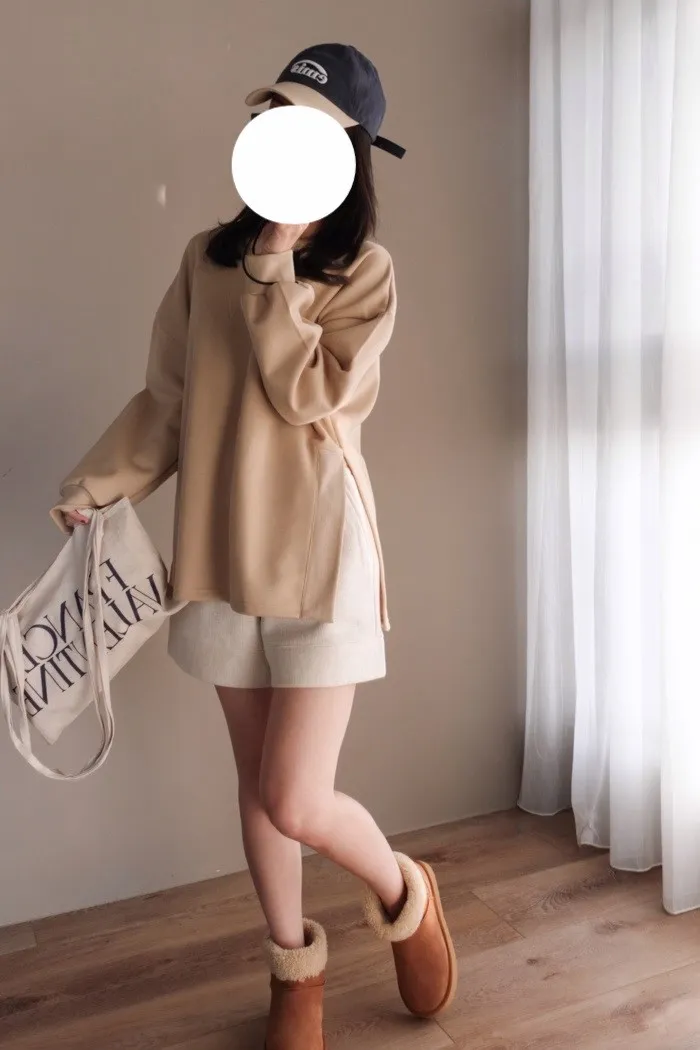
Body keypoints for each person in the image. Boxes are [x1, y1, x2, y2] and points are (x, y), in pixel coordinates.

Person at [51, 43, 456, 1050]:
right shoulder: (205, 260)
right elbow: (170, 402)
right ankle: (294, 976)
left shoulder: (365, 275)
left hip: (321, 560)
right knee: (256, 791)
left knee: (294, 794)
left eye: (313, 130)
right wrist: (98, 485)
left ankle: (405, 893)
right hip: (220, 555)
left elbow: (310, 396)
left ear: (351, 156)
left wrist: (277, 263)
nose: (288, 140)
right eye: (277, 118)